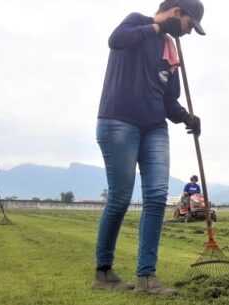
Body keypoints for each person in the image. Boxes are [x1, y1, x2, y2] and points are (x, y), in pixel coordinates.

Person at [93, 0, 206, 295]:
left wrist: (186, 117)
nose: (189, 33)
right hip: (119, 121)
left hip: (155, 127)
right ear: (177, 12)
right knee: (120, 198)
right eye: (189, 25)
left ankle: (146, 278)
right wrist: (156, 26)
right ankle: (103, 273)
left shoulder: (170, 50)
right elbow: (115, 41)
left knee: (156, 198)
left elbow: (168, 101)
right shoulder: (135, 22)